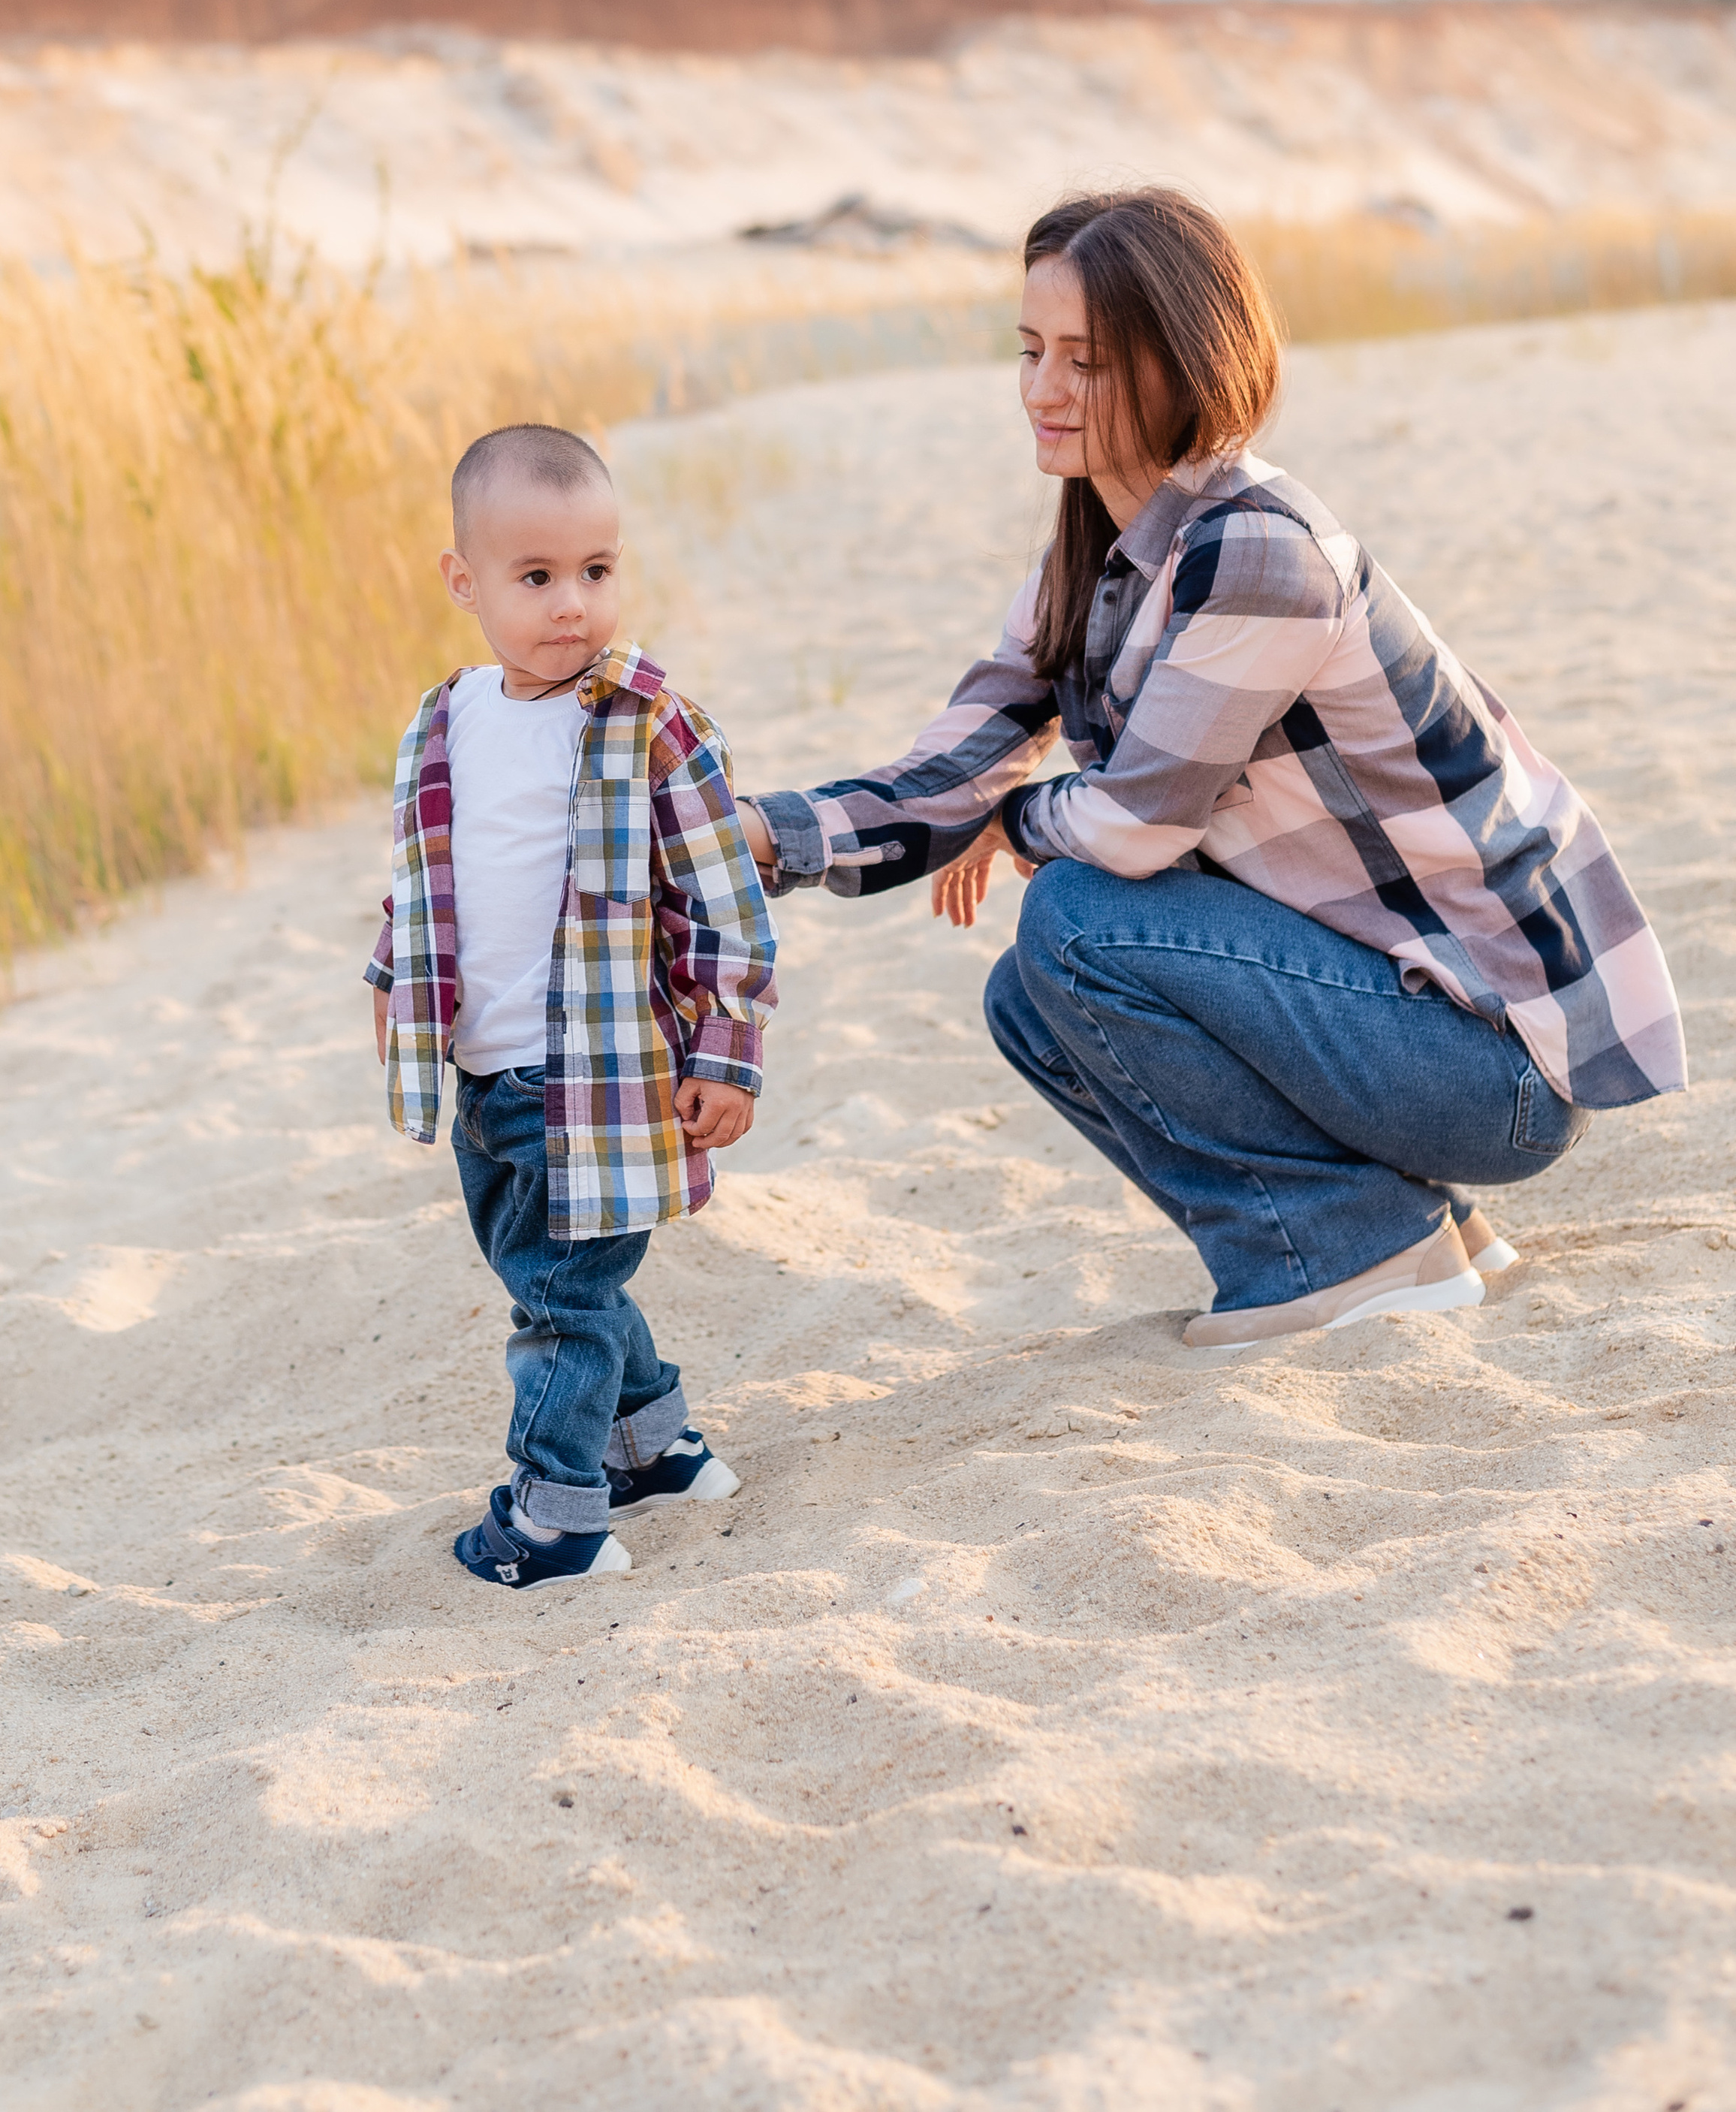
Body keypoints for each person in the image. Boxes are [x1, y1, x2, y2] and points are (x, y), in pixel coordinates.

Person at [739, 189, 1684, 1353]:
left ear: (1186, 363)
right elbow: (970, 748)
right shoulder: (1098, 544)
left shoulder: (1259, 551)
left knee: (1080, 918)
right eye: (1030, 350)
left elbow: (1133, 828)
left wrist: (1019, 823)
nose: (1041, 389)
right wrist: (764, 834)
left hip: (1501, 1064)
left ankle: (1345, 1248)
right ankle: (1410, 1226)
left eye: (1085, 361)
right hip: (1405, 1015)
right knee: (1030, 997)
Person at [367, 423, 776, 1585]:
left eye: (597, 570)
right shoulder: (442, 721)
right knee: (543, 1271)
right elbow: (423, 881)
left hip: (597, 1078)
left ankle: (555, 1514)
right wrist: (393, 990)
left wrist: (727, 1048)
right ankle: (655, 1446)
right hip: (487, 1076)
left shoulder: (649, 722)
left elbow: (723, 897)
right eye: (536, 576)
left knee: (560, 1299)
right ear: (466, 581)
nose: (573, 605)